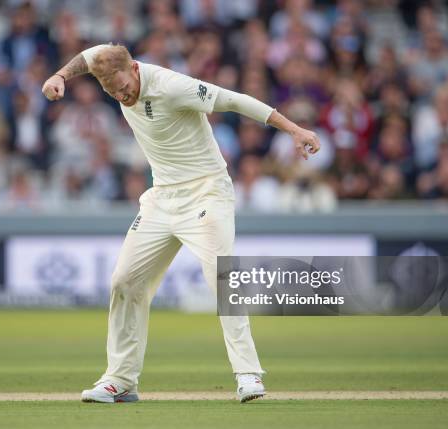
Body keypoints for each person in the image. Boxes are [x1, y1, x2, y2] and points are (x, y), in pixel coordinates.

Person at [42, 43, 320, 403]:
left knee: (221, 278)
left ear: (136, 69)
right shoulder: (109, 66)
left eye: (124, 87)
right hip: (162, 198)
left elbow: (234, 101)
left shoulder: (172, 85)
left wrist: (294, 130)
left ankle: (248, 374)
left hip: (207, 192)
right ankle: (121, 380)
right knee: (125, 281)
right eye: (112, 93)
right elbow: (87, 57)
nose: (121, 96)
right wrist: (60, 75)